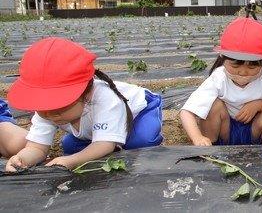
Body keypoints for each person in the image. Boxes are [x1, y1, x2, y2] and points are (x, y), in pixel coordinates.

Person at [6, 37, 163, 172]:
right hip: (95, 127)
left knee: (141, 142)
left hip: (139, 112)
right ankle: (102, 137)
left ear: (86, 95)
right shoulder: (47, 111)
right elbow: (37, 148)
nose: (48, 114)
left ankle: (117, 136)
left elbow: (104, 144)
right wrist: (22, 158)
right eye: (43, 107)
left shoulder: (105, 99)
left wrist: (72, 161)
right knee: (70, 147)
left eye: (58, 107)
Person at [180, 18, 262, 146]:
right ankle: (210, 147)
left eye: (252, 67)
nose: (243, 72)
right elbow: (187, 112)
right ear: (223, 58)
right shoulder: (218, 78)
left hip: (253, 130)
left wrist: (258, 105)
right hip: (225, 130)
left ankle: (261, 150)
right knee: (214, 105)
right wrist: (197, 138)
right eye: (235, 66)